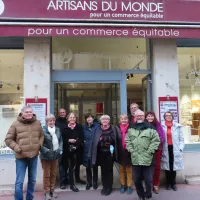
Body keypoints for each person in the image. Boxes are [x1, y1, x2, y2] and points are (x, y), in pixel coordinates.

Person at [4, 105, 44, 200]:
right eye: (27, 112)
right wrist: (17, 148)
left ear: (33, 113)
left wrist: (39, 145)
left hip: (34, 156)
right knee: (19, 182)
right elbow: (8, 139)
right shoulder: (15, 124)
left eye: (30, 112)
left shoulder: (37, 123)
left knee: (32, 180)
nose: (29, 113)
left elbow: (41, 136)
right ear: (22, 113)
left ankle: (29, 198)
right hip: (21, 157)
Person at [126, 110, 160, 200]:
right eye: (138, 115)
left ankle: (148, 195)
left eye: (141, 115)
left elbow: (156, 140)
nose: (139, 117)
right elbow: (127, 140)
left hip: (148, 158)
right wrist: (132, 150)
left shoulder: (151, 127)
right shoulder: (131, 128)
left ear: (144, 117)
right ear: (134, 117)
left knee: (148, 181)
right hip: (135, 158)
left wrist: (149, 151)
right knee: (136, 180)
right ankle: (141, 195)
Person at [89, 115, 120, 196]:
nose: (105, 121)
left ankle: (109, 187)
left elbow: (115, 140)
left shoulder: (113, 128)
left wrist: (104, 139)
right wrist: (104, 140)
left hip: (109, 154)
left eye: (106, 119)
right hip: (100, 153)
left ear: (109, 121)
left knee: (109, 171)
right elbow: (94, 141)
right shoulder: (97, 129)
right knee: (103, 170)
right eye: (103, 119)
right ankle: (104, 186)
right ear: (101, 121)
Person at [40, 114, 63, 200]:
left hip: (55, 156)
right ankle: (46, 192)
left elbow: (61, 140)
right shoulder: (42, 131)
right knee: (47, 175)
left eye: (53, 120)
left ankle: (52, 191)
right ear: (47, 122)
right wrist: (47, 151)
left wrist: (60, 149)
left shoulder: (57, 129)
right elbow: (40, 144)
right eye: (50, 121)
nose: (52, 122)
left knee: (53, 174)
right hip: (46, 157)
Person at [161, 111, 184, 191]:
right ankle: (168, 183)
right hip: (166, 148)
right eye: (166, 116)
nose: (168, 117)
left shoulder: (177, 126)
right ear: (164, 117)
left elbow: (181, 139)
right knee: (167, 167)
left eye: (170, 115)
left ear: (172, 116)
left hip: (175, 149)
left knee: (174, 166)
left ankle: (173, 183)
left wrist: (180, 148)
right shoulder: (162, 126)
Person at [62, 112, 85, 192]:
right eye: (70, 117)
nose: (72, 119)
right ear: (68, 119)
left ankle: (78, 179)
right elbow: (62, 139)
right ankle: (72, 184)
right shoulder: (64, 128)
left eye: (73, 117)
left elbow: (81, 138)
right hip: (67, 151)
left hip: (77, 149)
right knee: (71, 167)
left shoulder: (79, 127)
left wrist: (76, 145)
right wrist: (68, 140)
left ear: (76, 119)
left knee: (77, 165)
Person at [145, 111, 165, 194]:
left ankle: (156, 184)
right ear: (145, 117)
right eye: (148, 116)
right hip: (146, 150)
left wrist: (154, 144)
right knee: (147, 167)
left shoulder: (158, 124)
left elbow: (162, 137)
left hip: (157, 149)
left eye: (151, 116)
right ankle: (148, 184)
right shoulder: (143, 125)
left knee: (156, 167)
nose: (150, 118)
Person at [117, 114, 133, 195]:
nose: (124, 120)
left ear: (127, 120)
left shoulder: (131, 127)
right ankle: (123, 185)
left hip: (129, 151)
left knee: (129, 170)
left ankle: (129, 185)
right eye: (122, 119)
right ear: (120, 120)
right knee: (122, 170)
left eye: (125, 119)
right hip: (120, 151)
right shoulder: (117, 128)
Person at [83, 114, 99, 190]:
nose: (89, 119)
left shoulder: (97, 126)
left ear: (93, 118)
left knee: (94, 166)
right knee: (88, 167)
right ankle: (89, 182)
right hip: (86, 149)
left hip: (94, 149)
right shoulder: (83, 127)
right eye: (87, 118)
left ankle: (95, 182)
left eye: (90, 117)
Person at [55, 108, 68, 189]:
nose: (62, 114)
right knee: (61, 165)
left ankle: (67, 179)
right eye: (60, 112)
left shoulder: (68, 121)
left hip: (68, 146)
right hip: (59, 146)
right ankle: (62, 182)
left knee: (67, 164)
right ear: (58, 114)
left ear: (66, 113)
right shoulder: (56, 122)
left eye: (63, 112)